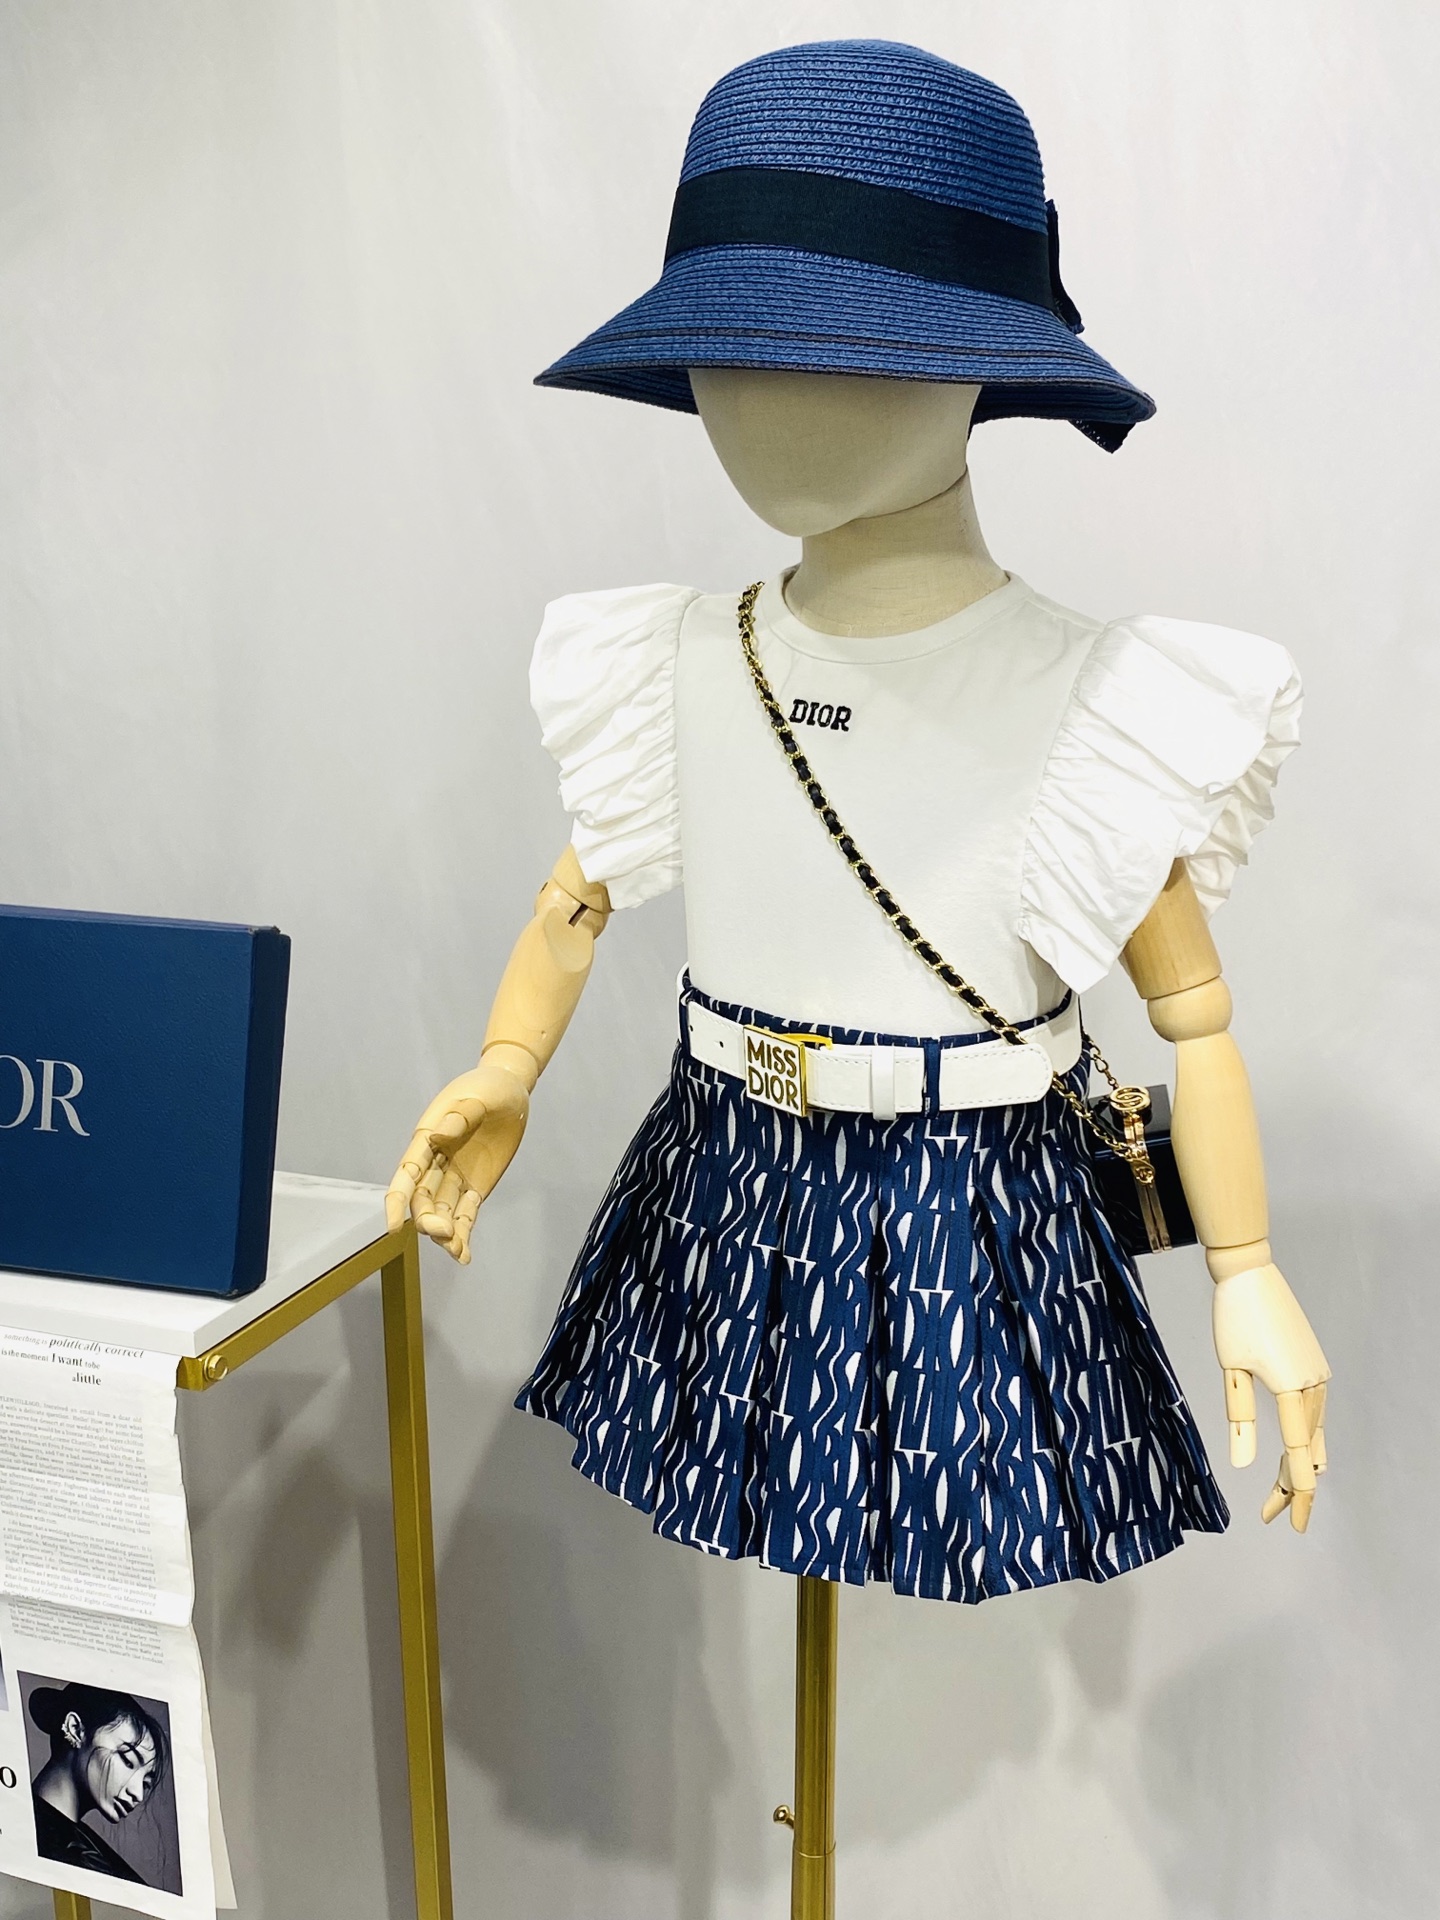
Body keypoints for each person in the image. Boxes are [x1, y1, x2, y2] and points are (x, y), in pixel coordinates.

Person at [387, 41, 1331, 1604]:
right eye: (738, 348)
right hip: (719, 1176)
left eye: (850, 351)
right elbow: (576, 902)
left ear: (977, 371)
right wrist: (506, 1065)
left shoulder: (1090, 695)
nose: (768, 401)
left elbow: (1195, 1018)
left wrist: (1244, 1268)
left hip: (966, 1202)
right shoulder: (679, 660)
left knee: (910, 1527)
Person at [28, 1681, 167, 1884]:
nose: (138, 1793)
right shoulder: (64, 1850)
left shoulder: (88, 1851)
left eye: (146, 1783)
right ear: (75, 1729)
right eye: (128, 1760)